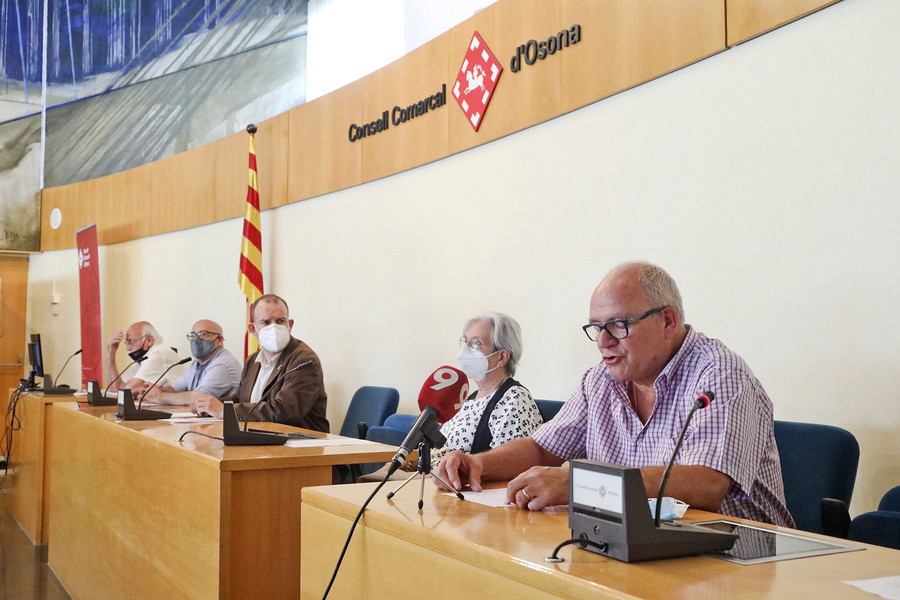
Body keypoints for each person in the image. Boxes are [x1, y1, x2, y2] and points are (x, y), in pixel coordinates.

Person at [435, 262, 795, 527]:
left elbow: (705, 484)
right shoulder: (600, 381)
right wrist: (479, 463)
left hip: (739, 560)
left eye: (618, 326)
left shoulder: (718, 373)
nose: (603, 342)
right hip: (639, 545)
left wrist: (578, 485)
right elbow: (542, 447)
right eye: (596, 328)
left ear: (668, 321)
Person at [189, 294, 329, 433]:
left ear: (290, 325)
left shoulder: (304, 360)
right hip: (259, 437)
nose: (274, 328)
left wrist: (224, 411)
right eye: (266, 322)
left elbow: (284, 411)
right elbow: (240, 399)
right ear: (253, 330)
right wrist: (209, 406)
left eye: (280, 321)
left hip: (300, 445)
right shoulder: (253, 360)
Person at [140, 319, 241, 405]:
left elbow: (199, 397)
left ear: (219, 340)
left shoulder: (223, 363)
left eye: (203, 334)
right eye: (193, 335)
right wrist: (151, 391)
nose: (196, 339)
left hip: (224, 424)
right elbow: (176, 388)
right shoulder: (197, 363)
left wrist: (160, 397)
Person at [106, 321, 186, 394]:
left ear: (149, 340)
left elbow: (126, 392)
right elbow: (115, 388)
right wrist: (110, 355)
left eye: (131, 342)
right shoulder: (144, 358)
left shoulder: (159, 353)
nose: (128, 348)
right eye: (127, 343)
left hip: (176, 407)